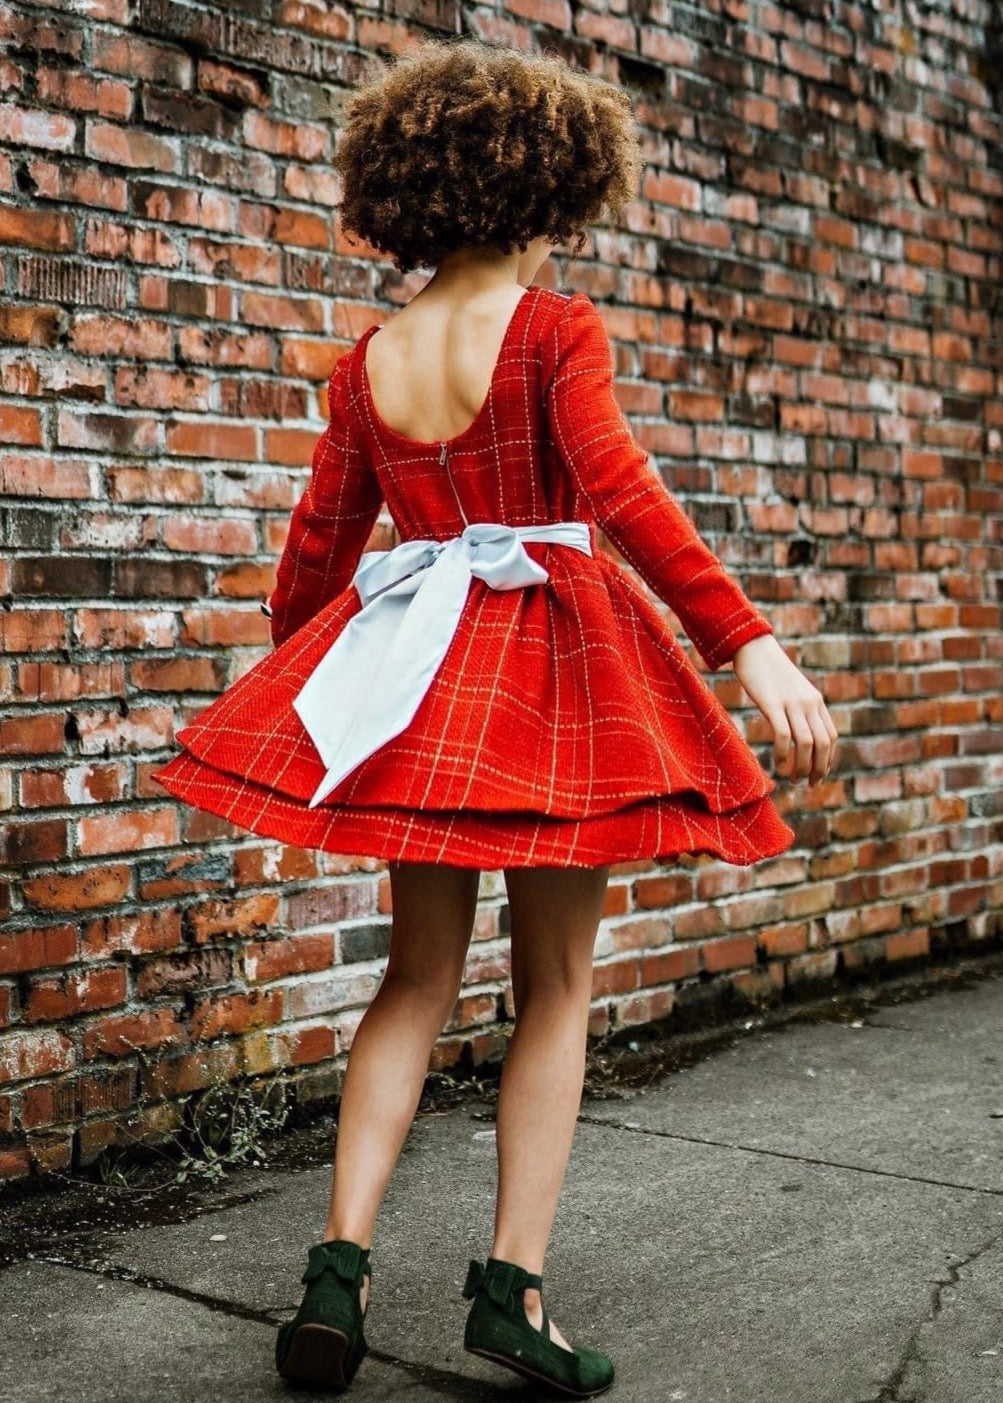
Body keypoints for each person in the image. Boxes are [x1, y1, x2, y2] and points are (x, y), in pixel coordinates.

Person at [152, 36, 838, 1399]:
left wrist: (298, 675)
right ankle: (512, 1292)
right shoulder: (550, 330)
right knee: (558, 986)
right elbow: (625, 497)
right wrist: (748, 647)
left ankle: (336, 1273)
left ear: (417, 193)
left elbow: (317, 548)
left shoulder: (371, 361)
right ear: (544, 195)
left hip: (421, 685)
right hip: (557, 681)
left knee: (415, 977)